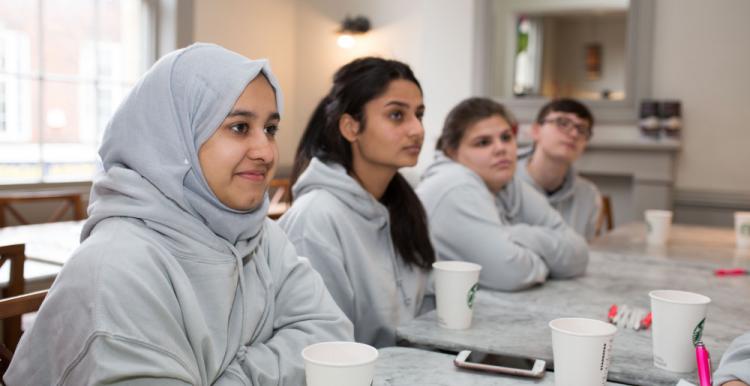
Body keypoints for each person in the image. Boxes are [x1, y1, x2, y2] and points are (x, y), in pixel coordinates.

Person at [5, 43, 352, 385]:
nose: (265, 150)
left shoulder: (259, 234)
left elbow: (331, 337)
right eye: (239, 127)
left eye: (270, 129)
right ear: (175, 138)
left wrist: (232, 377)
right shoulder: (118, 265)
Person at [278, 57, 435, 348]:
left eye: (419, 114)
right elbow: (324, 348)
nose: (417, 130)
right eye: (397, 115)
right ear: (351, 127)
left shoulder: (403, 205)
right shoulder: (316, 218)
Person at [416, 97, 588, 291]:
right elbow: (512, 274)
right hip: (428, 318)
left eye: (506, 137)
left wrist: (515, 234)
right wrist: (548, 262)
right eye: (483, 142)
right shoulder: (455, 185)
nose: (501, 148)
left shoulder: (506, 181)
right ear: (452, 152)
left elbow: (579, 254)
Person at [516, 98, 601, 240]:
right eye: (563, 123)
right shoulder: (502, 183)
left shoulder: (589, 195)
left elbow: (586, 254)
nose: (574, 134)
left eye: (582, 129)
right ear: (536, 130)